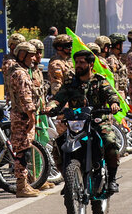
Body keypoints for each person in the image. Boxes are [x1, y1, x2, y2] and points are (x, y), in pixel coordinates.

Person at [47, 49, 122, 193]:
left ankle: (112, 179)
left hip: (98, 121)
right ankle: (70, 181)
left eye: (82, 62)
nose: (78, 65)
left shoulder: (99, 80)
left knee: (111, 143)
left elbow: (111, 94)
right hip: (77, 123)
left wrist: (114, 104)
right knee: (59, 146)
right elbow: (58, 99)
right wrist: (50, 107)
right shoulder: (70, 84)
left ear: (91, 64)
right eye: (77, 62)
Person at [6, 42, 41, 198]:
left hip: (21, 115)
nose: (33, 58)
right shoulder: (20, 74)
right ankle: (21, 186)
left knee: (24, 150)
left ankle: (25, 184)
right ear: (22, 55)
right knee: (22, 153)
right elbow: (25, 97)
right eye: (31, 55)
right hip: (22, 117)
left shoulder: (20, 71)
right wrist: (31, 116)